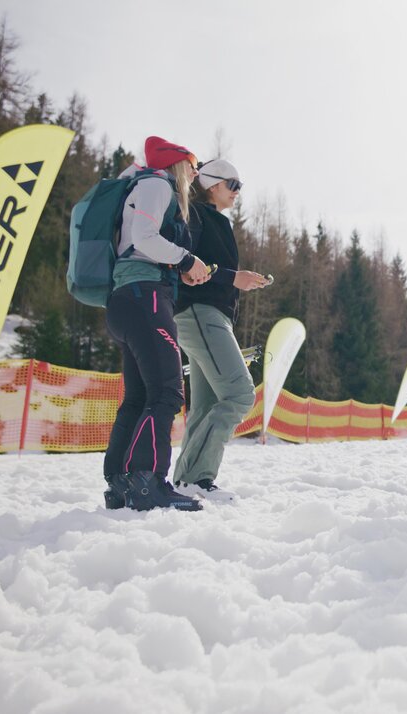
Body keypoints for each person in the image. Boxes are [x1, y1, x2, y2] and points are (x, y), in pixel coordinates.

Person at [102, 135, 211, 512]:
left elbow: (139, 241)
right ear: (177, 164)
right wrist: (185, 259)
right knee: (167, 392)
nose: (195, 174)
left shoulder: (140, 184)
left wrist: (182, 268)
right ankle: (147, 481)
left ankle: (120, 483)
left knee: (139, 397)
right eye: (193, 165)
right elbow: (144, 238)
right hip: (143, 296)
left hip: (128, 299)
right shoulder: (155, 184)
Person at [172, 159, 271, 497]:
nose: (238, 192)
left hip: (211, 315)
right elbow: (187, 263)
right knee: (240, 393)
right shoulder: (196, 215)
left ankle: (186, 482)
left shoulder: (217, 221)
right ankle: (198, 478)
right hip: (200, 312)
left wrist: (237, 283)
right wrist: (234, 278)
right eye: (233, 184)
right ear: (211, 185)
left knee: (205, 405)